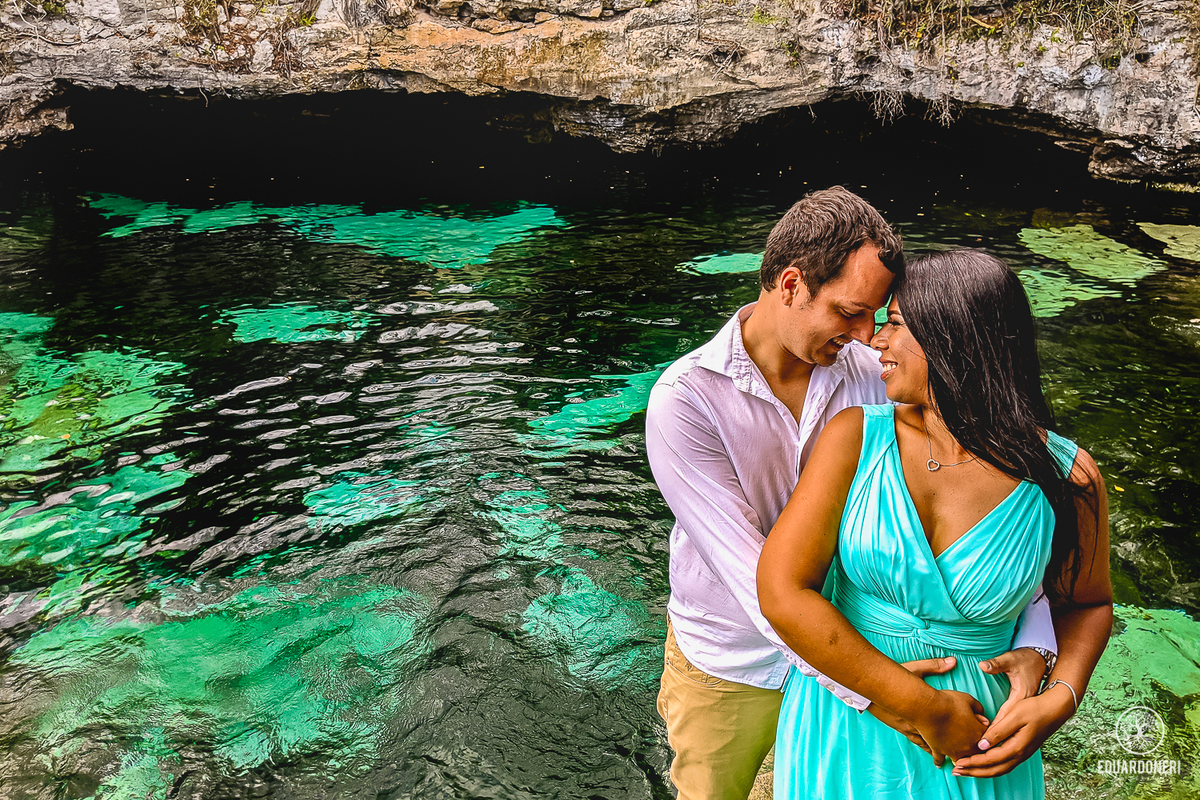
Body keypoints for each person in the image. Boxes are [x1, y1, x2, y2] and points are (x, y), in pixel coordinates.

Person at [645, 189, 1060, 800]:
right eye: (849, 312)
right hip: (734, 665)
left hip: (873, 658)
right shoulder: (687, 401)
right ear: (791, 284)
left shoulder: (879, 378)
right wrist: (895, 696)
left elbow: (995, 509)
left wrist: (1035, 642)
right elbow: (759, 583)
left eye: (879, 316)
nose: (867, 335)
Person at [758, 249, 1114, 799]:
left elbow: (1086, 603)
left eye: (896, 324)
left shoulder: (1068, 477)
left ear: (954, 338)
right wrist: (913, 703)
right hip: (851, 717)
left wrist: (1059, 697)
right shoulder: (854, 438)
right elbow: (782, 591)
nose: (875, 340)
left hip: (984, 738)